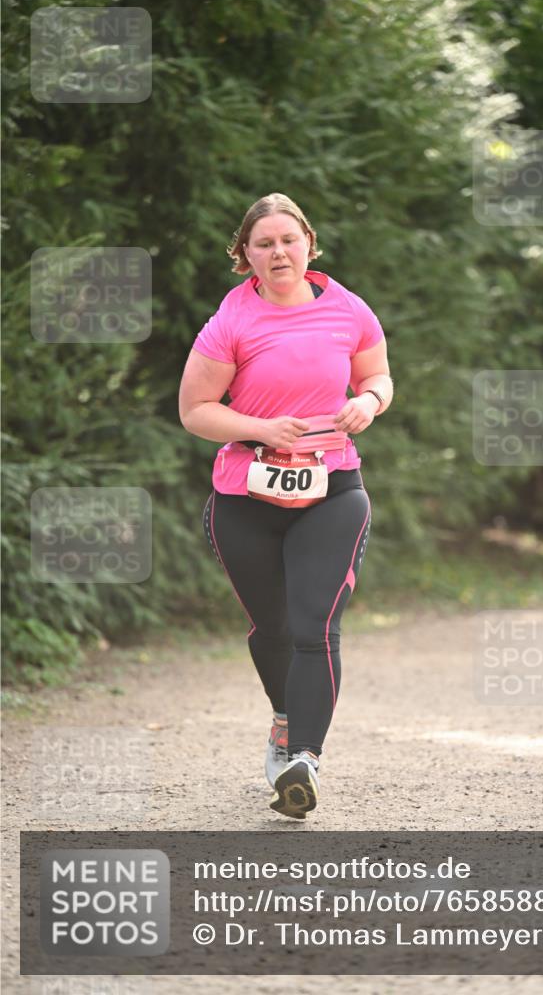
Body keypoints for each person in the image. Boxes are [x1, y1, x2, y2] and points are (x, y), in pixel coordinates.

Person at [179, 193, 392, 819]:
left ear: (310, 245)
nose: (279, 252)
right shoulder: (230, 322)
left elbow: (378, 376)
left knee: (314, 626)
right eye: (264, 243)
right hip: (244, 495)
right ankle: (284, 720)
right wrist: (263, 430)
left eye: (289, 240)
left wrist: (369, 403)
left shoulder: (348, 309)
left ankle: (303, 759)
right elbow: (196, 412)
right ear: (244, 255)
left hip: (332, 489)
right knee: (272, 629)